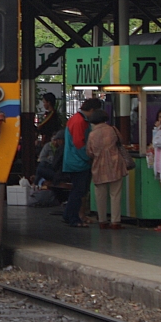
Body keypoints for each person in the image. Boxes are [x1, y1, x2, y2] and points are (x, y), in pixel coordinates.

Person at [62, 97, 103, 227]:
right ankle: (73, 218)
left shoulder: (77, 119)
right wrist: (89, 157)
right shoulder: (79, 122)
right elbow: (79, 143)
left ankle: (69, 215)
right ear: (91, 110)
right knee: (79, 191)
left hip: (75, 161)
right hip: (78, 163)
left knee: (78, 191)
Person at [86, 109, 129, 229]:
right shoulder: (113, 130)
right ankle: (115, 222)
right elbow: (122, 141)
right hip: (115, 165)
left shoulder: (92, 135)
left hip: (99, 166)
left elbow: (89, 152)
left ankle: (102, 221)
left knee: (100, 195)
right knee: (115, 194)